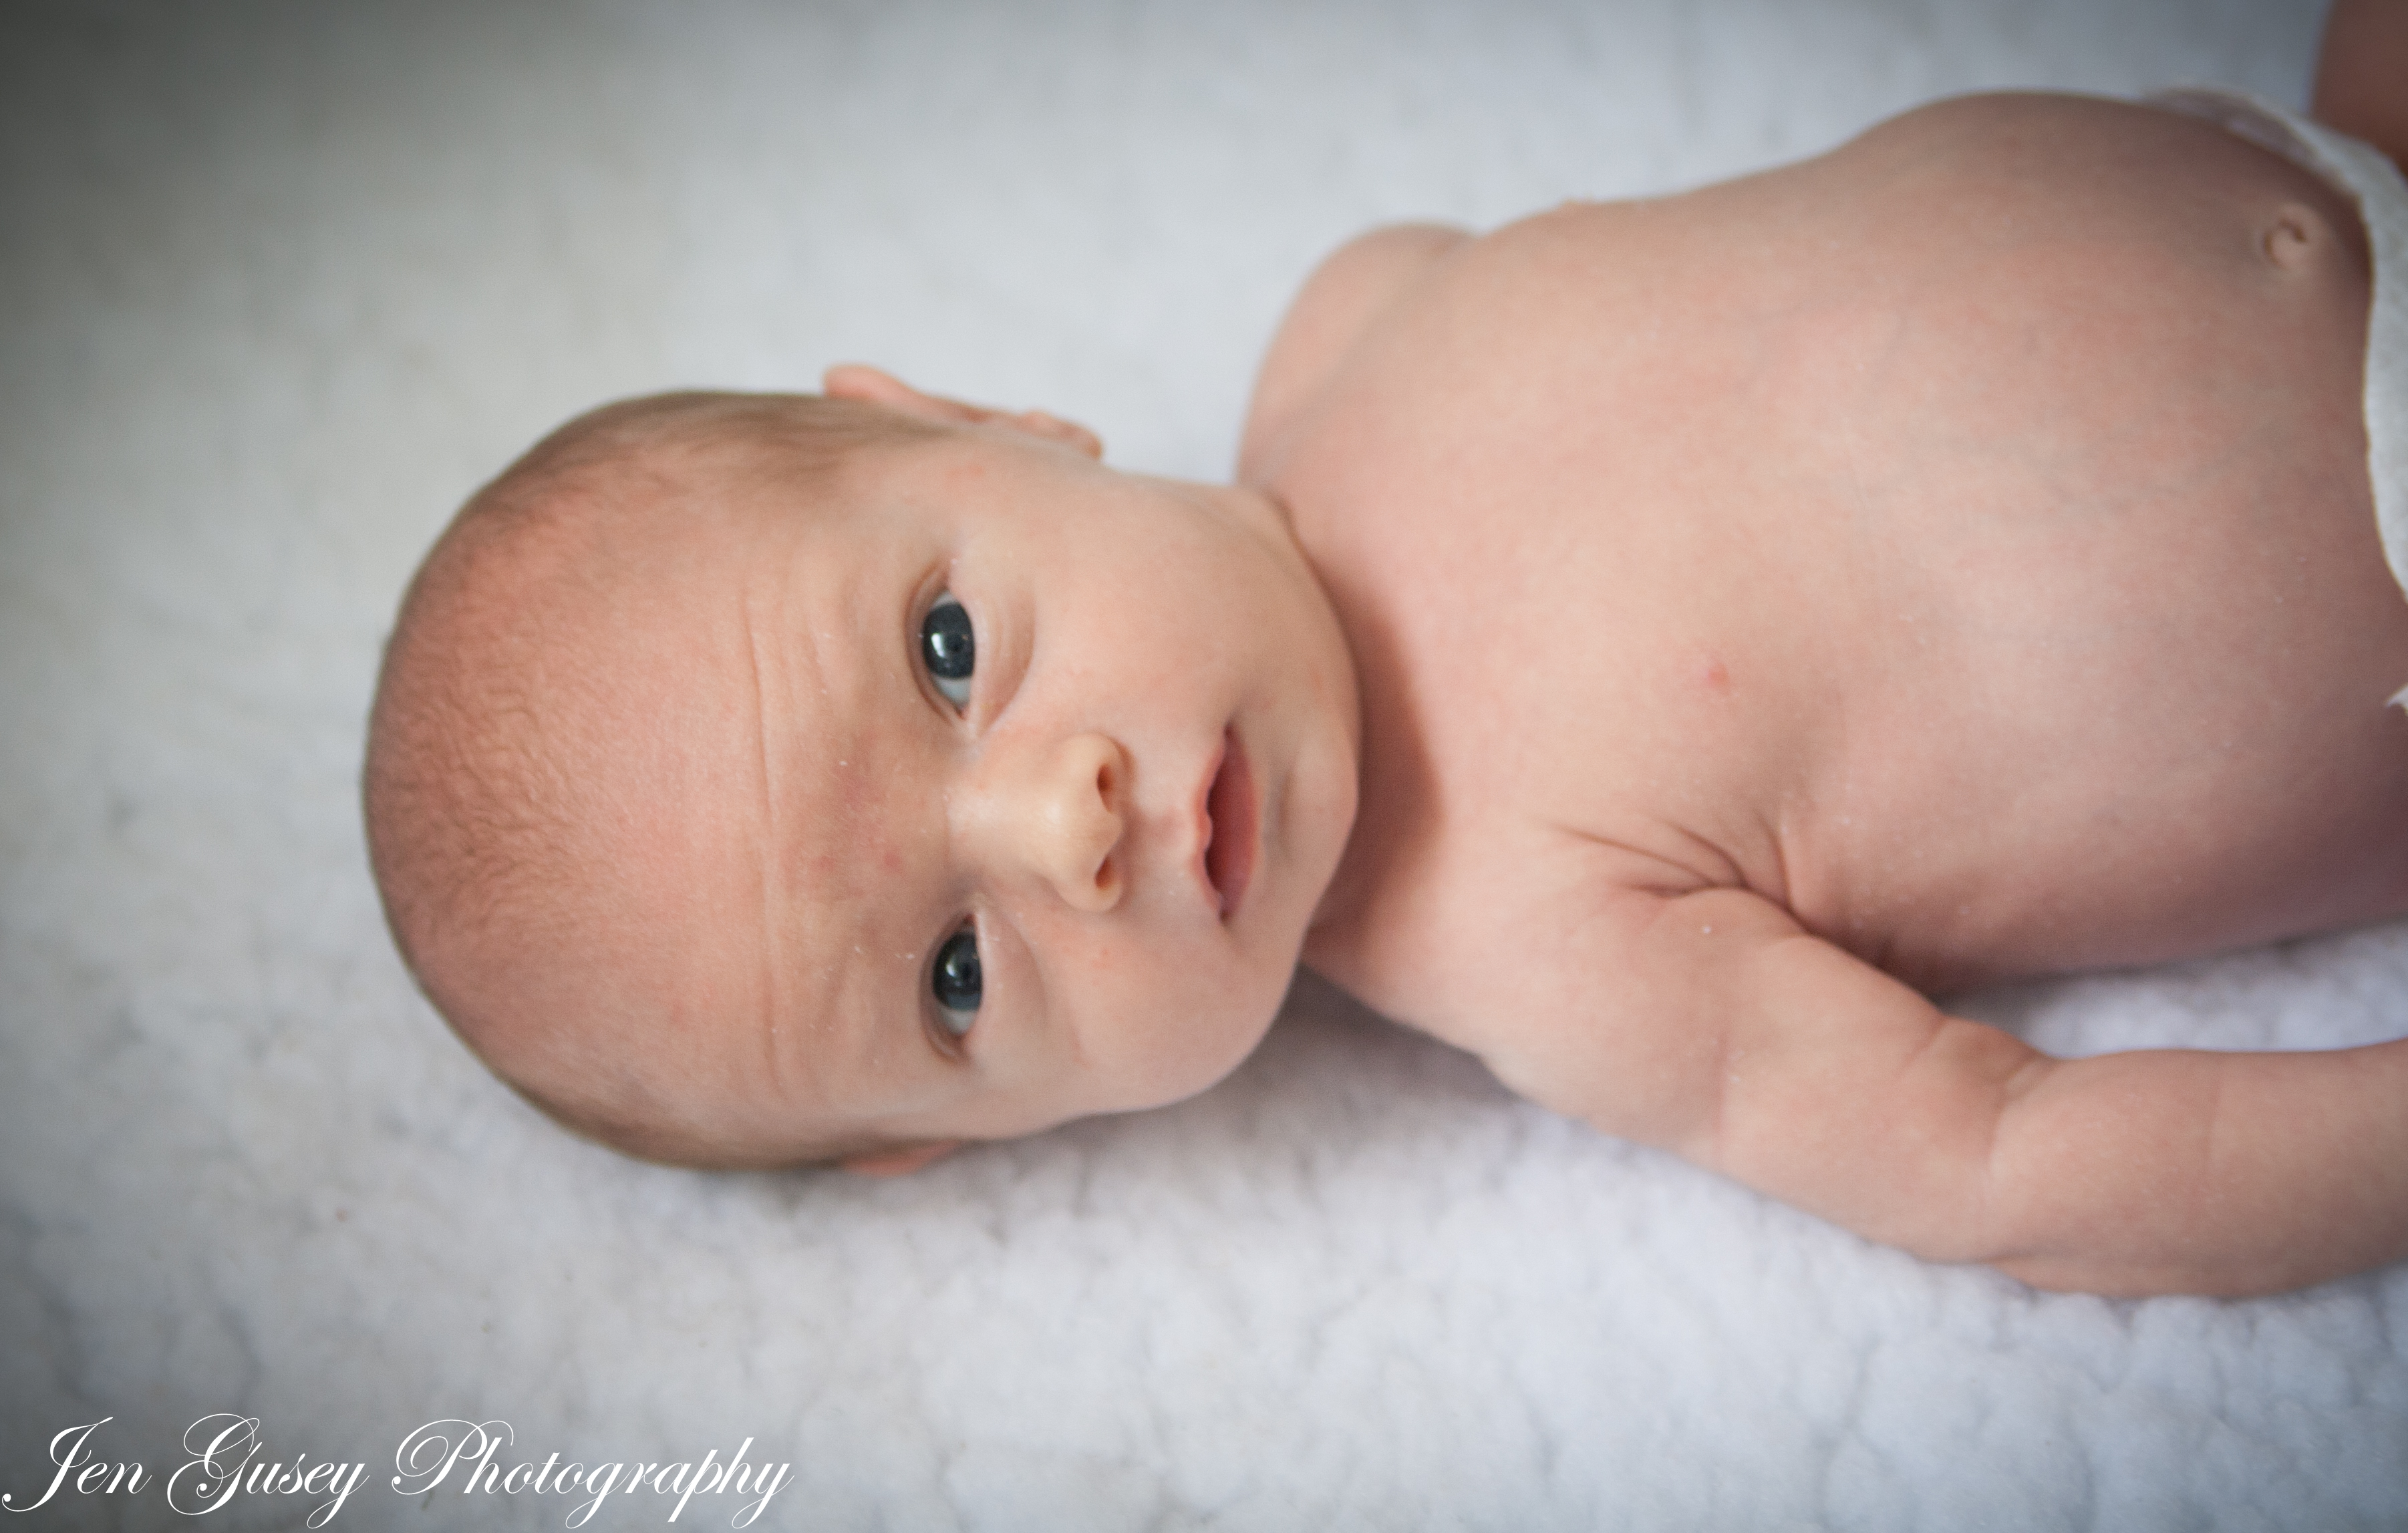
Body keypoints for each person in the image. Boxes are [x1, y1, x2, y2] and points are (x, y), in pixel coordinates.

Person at [364, 1, 2408, 1297]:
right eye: (954, 975)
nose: (1061, 825)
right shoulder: (1534, 947)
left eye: (948, 649)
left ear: (974, 422)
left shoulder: (1363, 308)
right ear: (972, 1139)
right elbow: (2000, 1163)